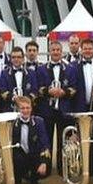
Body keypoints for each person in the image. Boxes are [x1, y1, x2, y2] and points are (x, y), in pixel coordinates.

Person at [37, 41, 76, 174]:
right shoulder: (41, 69)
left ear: (62, 51)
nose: (55, 52)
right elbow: (38, 89)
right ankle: (46, 167)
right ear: (49, 52)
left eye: (58, 50)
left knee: (63, 140)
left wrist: (63, 92)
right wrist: (49, 91)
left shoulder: (70, 68)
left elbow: (74, 88)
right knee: (46, 139)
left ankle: (62, 167)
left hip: (64, 109)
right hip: (47, 110)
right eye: (53, 50)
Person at [12, 96, 50, 184]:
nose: (25, 111)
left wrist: (44, 163)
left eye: (28, 108)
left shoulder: (39, 122)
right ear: (18, 109)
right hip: (18, 155)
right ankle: (17, 179)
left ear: (31, 108)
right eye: (22, 108)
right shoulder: (12, 122)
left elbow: (45, 143)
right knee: (17, 158)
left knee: (46, 170)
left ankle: (33, 178)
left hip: (33, 154)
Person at [0, 46, 38, 112]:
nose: (16, 59)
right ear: (11, 59)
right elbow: (3, 90)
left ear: (23, 59)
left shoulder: (31, 73)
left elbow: (35, 90)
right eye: (13, 57)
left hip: (28, 110)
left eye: (19, 57)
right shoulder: (4, 73)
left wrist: (25, 100)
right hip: (10, 109)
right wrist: (14, 98)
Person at [72, 39, 93, 112]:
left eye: (90, 49)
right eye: (85, 49)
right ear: (81, 50)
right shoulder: (73, 66)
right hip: (78, 107)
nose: (87, 51)